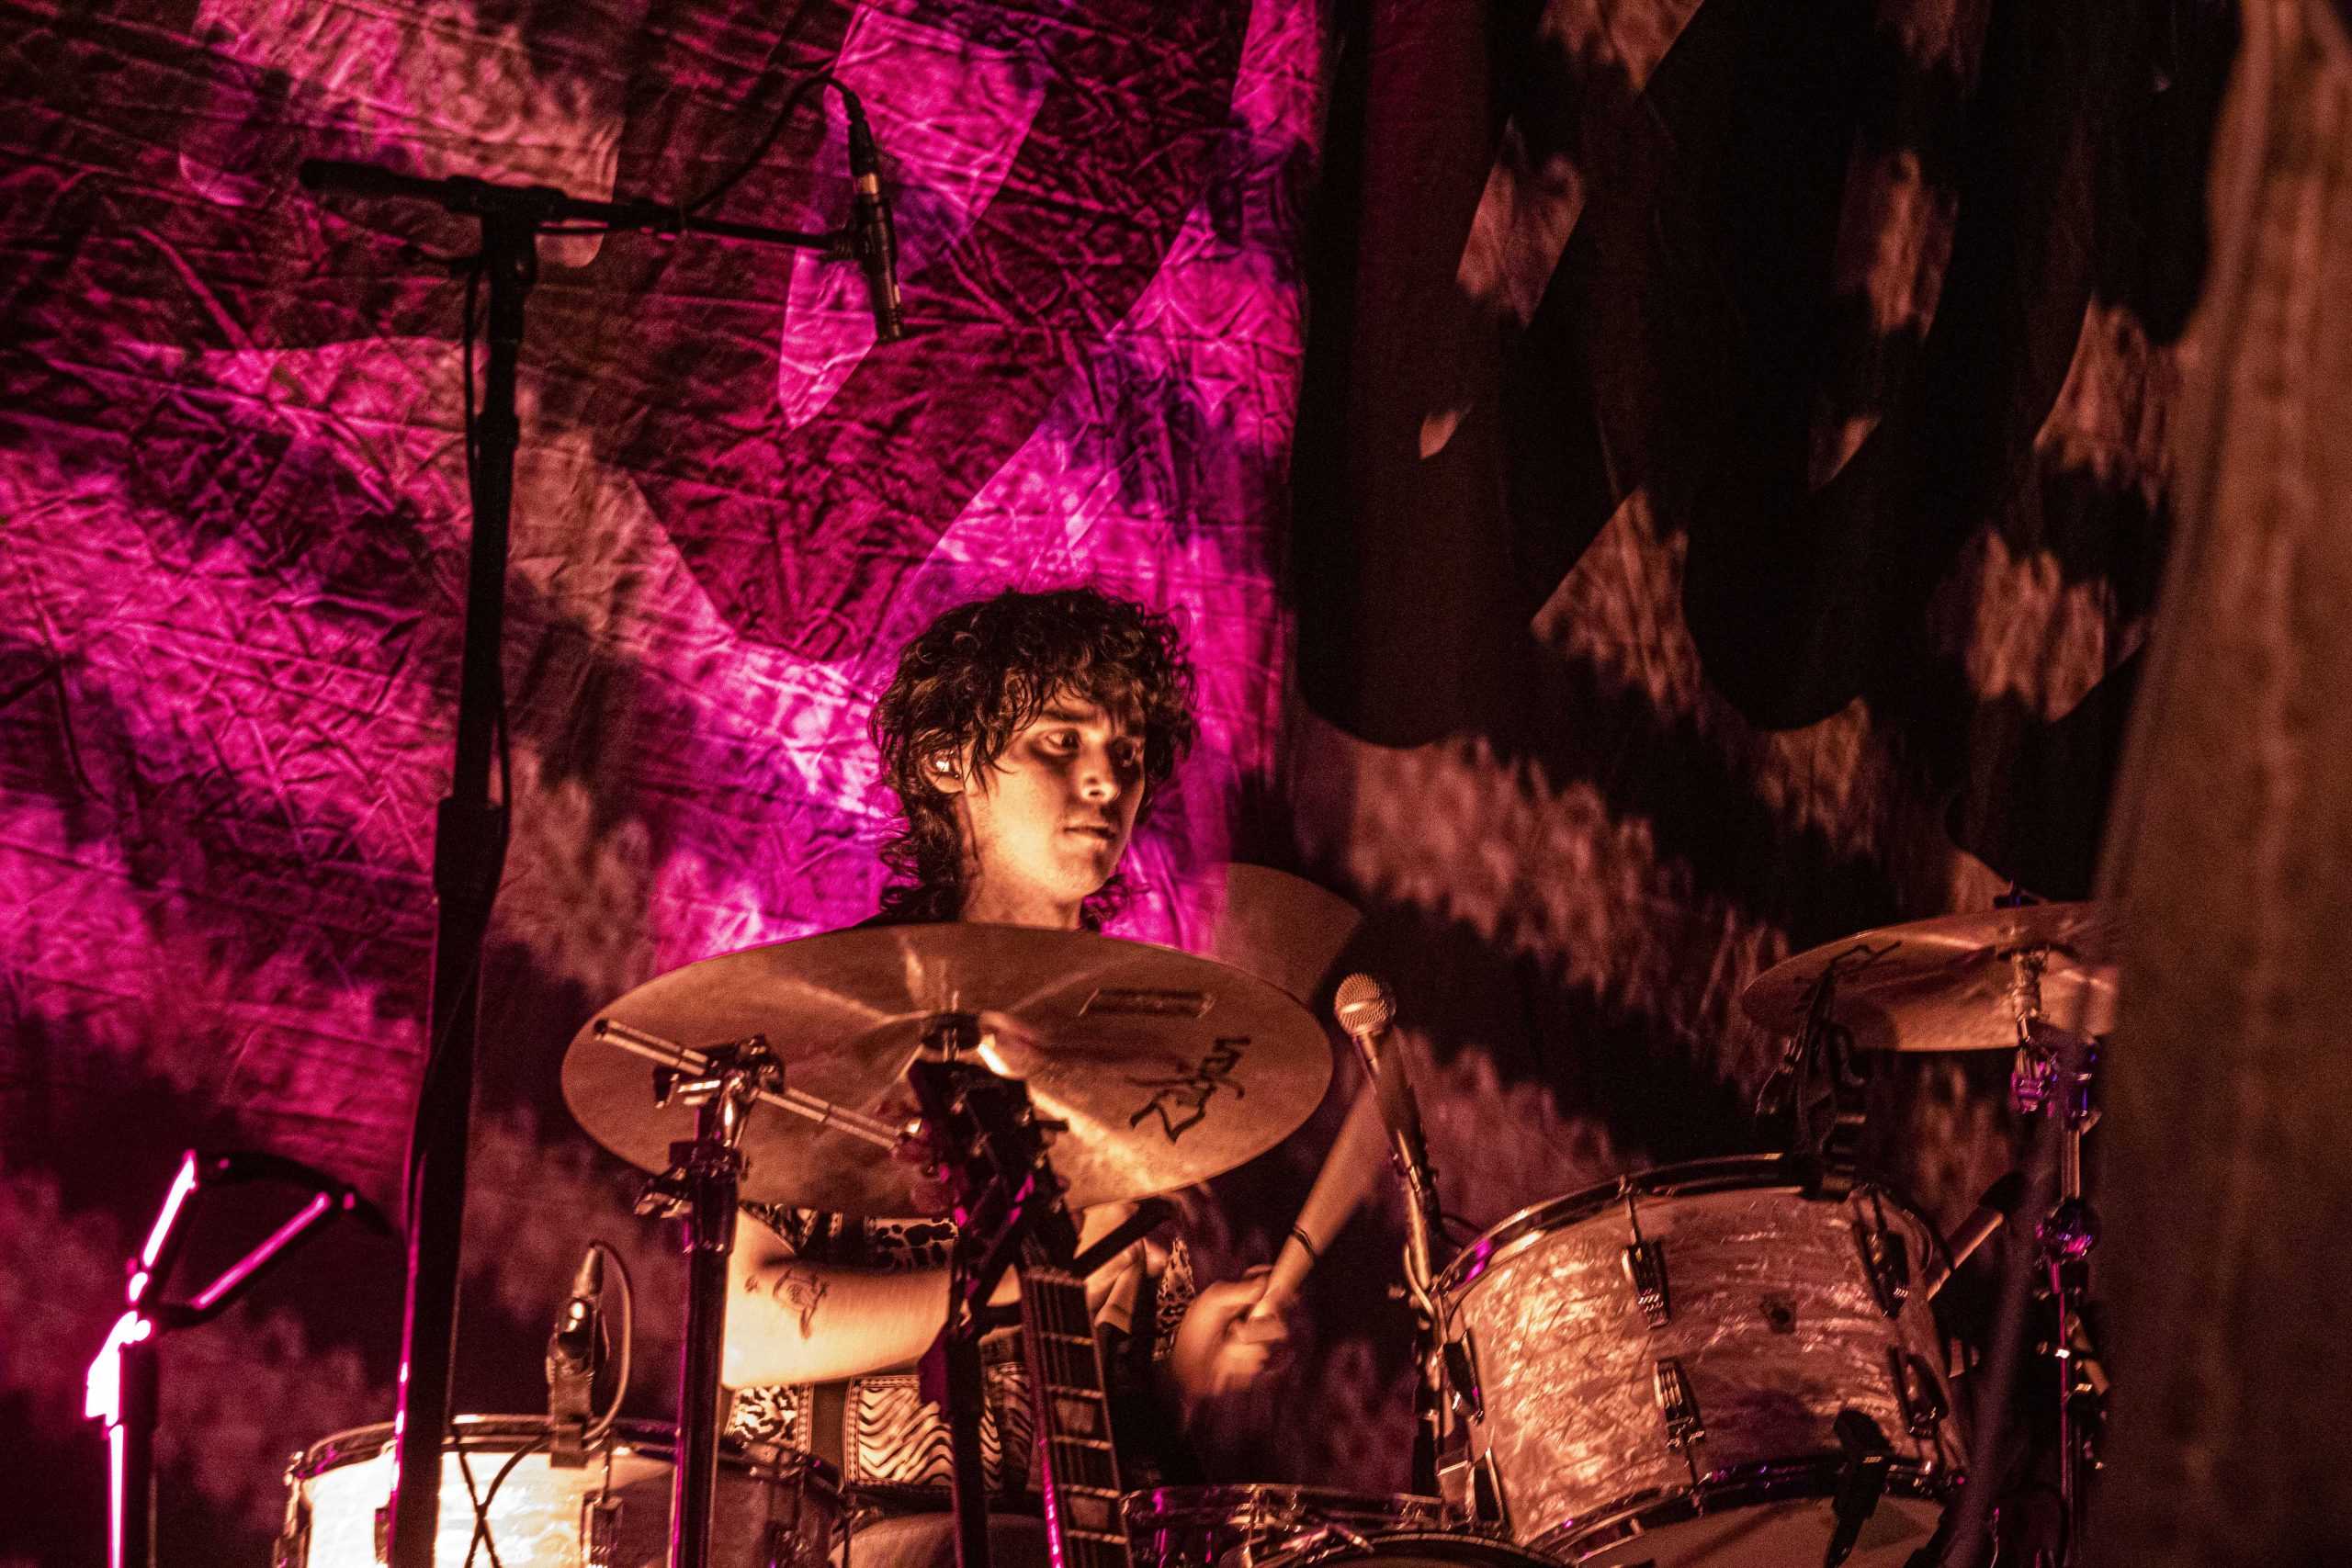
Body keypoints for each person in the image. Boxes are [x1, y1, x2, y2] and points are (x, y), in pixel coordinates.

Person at [720, 587, 1293, 1568]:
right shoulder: (826, 1023)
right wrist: (1001, 1295)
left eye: (1125, 752)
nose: (1107, 782)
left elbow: (1134, 1386)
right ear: (949, 762)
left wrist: (1198, 1352)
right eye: (1060, 744)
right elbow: (743, 1332)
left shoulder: (1137, 1051)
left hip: (1099, 1538)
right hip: (845, 1536)